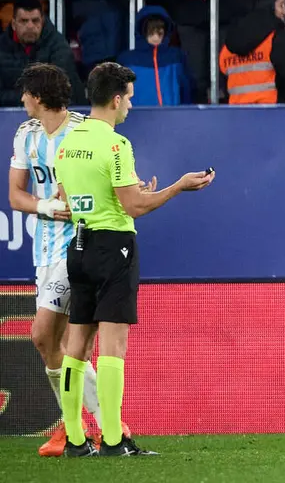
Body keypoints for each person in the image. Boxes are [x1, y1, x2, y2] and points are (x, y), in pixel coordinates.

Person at [55, 62, 215, 456]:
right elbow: (134, 207)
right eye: (128, 97)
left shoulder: (68, 142)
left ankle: (75, 439)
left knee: (77, 345)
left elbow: (64, 197)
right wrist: (178, 187)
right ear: (115, 98)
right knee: (113, 346)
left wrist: (127, 194)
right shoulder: (116, 145)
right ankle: (112, 439)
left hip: (78, 246)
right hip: (114, 247)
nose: (129, 105)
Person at [9, 64, 104, 458]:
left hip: (79, 246)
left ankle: (101, 424)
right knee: (55, 344)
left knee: (43, 334)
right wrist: (45, 204)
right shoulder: (26, 135)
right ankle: (78, 428)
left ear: (39, 96)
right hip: (44, 250)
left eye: (25, 93)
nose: (20, 100)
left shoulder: (82, 132)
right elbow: (16, 196)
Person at [219, 0, 285, 103]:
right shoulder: (277, 39)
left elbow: (224, 86)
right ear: (267, 8)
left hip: (237, 117)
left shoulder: (227, 47)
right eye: (281, 5)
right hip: (274, 116)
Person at [0, 0, 86, 107]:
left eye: (35, 21)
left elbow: (61, 91)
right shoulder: (2, 47)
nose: (30, 26)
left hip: (53, 114)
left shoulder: (58, 46)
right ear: (13, 24)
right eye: (24, 21)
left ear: (42, 22)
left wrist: (27, 98)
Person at [116, 6, 196, 106]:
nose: (155, 37)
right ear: (142, 32)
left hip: (173, 117)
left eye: (160, 33)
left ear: (166, 33)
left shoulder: (176, 56)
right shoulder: (127, 60)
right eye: (151, 33)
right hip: (136, 118)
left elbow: (187, 89)